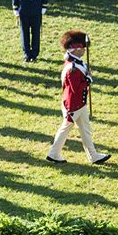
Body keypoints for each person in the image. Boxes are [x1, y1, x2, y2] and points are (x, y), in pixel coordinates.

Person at [47, 30, 110, 165]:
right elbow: (76, 89)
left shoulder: (78, 64)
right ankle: (53, 153)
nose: (84, 50)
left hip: (79, 103)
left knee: (85, 129)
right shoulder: (73, 68)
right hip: (74, 104)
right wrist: (88, 80)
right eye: (82, 48)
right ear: (74, 49)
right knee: (65, 129)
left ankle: (93, 155)